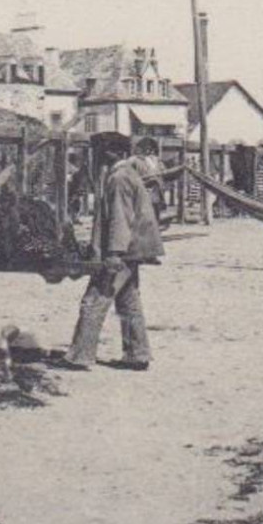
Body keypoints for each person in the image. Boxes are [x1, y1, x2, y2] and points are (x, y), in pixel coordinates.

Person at [66, 131, 164, 371]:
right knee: (128, 300)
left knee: (94, 301)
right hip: (134, 249)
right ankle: (137, 354)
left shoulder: (119, 178)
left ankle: (80, 356)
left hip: (123, 251)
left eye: (97, 151)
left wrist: (113, 254)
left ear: (110, 152)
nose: (94, 157)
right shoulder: (126, 174)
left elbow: (121, 218)